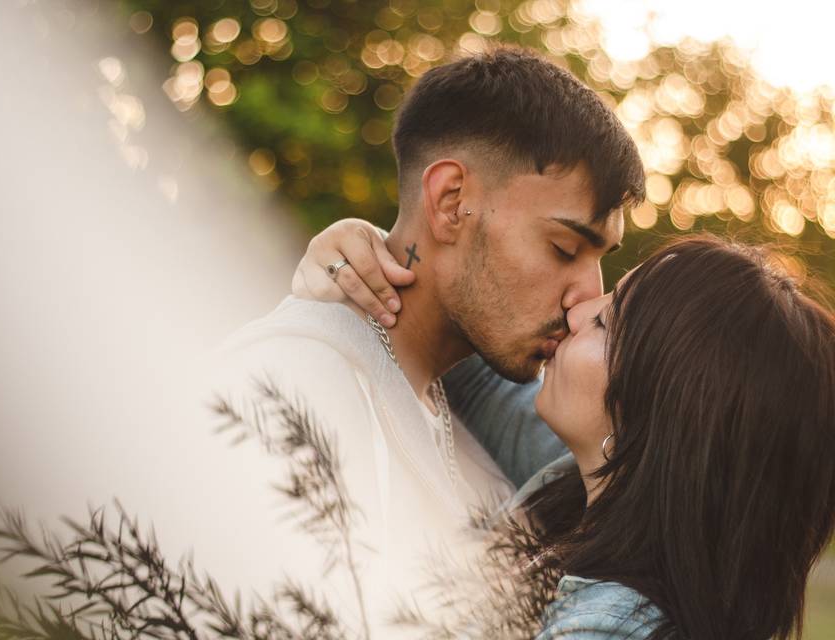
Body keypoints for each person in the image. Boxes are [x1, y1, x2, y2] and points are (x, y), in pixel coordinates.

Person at [205, 45, 644, 635]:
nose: (586, 296)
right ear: (450, 202)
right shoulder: (288, 389)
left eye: (598, 260)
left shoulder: (466, 417)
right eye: (563, 249)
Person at [297, 232, 835, 638]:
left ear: (655, 412)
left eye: (608, 322)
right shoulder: (588, 489)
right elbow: (446, 328)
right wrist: (363, 249)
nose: (579, 310)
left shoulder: (609, 628)